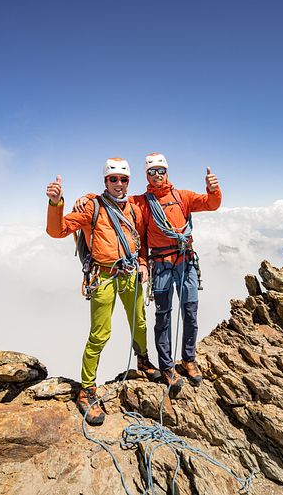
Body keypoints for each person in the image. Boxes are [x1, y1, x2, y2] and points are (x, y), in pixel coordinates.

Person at [74, 153, 221, 396]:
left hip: (185, 261)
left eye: (160, 170)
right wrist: (87, 197)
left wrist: (213, 190)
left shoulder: (182, 196)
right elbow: (111, 200)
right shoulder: (141, 201)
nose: (157, 175)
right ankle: (165, 366)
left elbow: (211, 204)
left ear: (167, 171)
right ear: (146, 175)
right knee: (163, 316)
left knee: (190, 313)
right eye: (151, 172)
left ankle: (188, 359)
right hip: (161, 264)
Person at [46, 158, 161, 426]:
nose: (119, 184)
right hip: (105, 276)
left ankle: (143, 361)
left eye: (123, 179)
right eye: (113, 179)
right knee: (100, 333)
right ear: (105, 181)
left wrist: (143, 264)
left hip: (130, 274)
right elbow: (57, 230)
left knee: (140, 322)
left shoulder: (133, 209)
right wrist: (56, 203)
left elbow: (140, 241)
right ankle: (87, 390)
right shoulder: (92, 207)